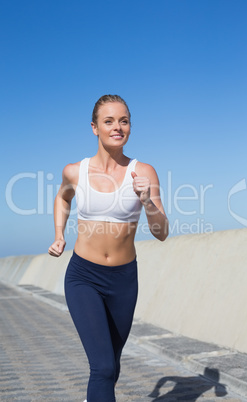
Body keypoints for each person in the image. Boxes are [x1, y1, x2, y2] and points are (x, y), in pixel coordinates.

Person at [48, 94, 169, 402]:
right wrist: (59, 234)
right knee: (101, 367)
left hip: (124, 281)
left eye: (124, 120)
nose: (118, 127)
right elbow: (63, 199)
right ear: (94, 128)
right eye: (109, 121)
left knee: (111, 366)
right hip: (84, 276)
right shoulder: (75, 171)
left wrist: (147, 202)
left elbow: (161, 232)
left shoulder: (144, 172)